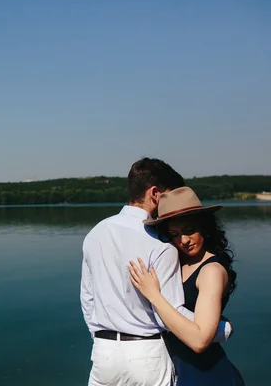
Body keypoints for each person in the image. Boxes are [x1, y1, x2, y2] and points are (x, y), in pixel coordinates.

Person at [80, 157, 232, 386]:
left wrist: (100, 339)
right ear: (155, 194)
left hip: (104, 354)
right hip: (147, 354)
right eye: (170, 195)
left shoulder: (95, 233)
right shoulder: (160, 244)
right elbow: (170, 311)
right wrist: (221, 329)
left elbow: (88, 299)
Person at [128, 186, 244, 385]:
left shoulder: (211, 271)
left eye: (190, 230)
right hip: (178, 370)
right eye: (174, 234)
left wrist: (153, 295)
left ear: (205, 227)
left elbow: (200, 341)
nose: (183, 240)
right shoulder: (178, 262)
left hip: (207, 375)